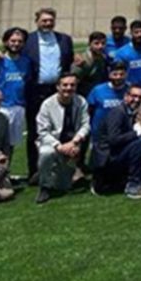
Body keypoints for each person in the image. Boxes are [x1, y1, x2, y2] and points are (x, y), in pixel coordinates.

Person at [21, 7, 75, 180]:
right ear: (36, 21)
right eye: (44, 20)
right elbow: (11, 54)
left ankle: (61, 169)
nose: (47, 23)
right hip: (35, 90)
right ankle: (35, 171)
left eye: (50, 20)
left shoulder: (64, 39)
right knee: (35, 131)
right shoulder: (27, 40)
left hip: (58, 91)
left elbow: (70, 61)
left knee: (61, 129)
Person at [35, 72, 90, 204]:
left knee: (63, 186)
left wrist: (75, 141)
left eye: (72, 85)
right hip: (52, 143)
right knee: (46, 153)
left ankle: (48, 173)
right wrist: (58, 146)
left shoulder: (81, 101)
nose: (68, 88)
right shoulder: (47, 104)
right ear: (57, 87)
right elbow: (42, 131)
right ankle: (44, 186)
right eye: (65, 85)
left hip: (72, 144)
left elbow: (85, 125)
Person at [91, 84, 141, 199]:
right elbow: (113, 140)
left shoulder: (132, 113)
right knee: (140, 142)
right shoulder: (118, 112)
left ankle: (122, 181)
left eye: (140, 97)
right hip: (106, 159)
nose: (136, 100)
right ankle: (133, 186)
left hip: (116, 154)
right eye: (133, 96)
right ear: (126, 96)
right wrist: (135, 133)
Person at [0, 27, 30, 153]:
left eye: (20, 41)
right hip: (0, 107)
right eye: (13, 41)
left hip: (18, 108)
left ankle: (5, 170)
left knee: (11, 144)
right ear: (5, 42)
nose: (16, 44)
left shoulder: (26, 62)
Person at [87, 60, 128, 142]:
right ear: (109, 74)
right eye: (115, 74)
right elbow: (89, 110)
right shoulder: (98, 90)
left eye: (121, 74)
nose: (118, 77)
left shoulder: (129, 90)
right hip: (99, 134)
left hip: (122, 133)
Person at [71, 31, 109, 97]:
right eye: (96, 43)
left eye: (103, 43)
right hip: (83, 94)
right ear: (89, 44)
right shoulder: (82, 60)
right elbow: (74, 80)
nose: (100, 46)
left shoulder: (103, 58)